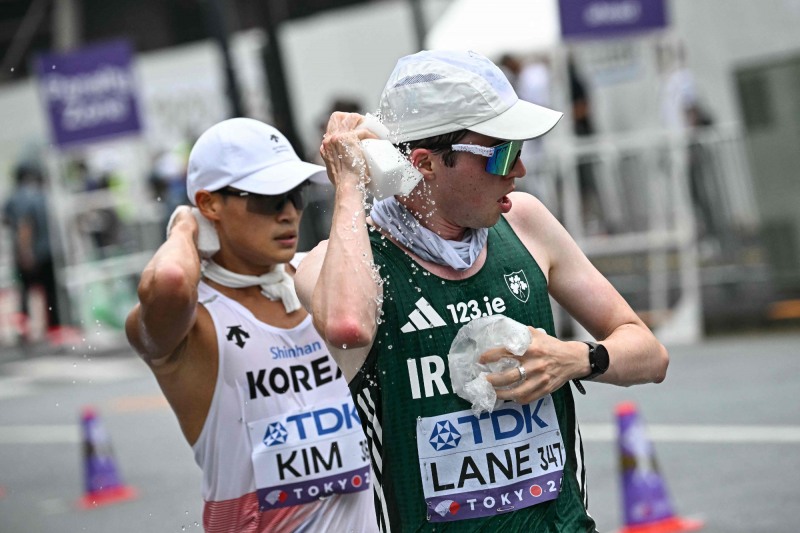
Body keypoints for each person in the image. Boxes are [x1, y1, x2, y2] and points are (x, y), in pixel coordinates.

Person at [295, 50, 669, 531]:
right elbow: (348, 325)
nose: (519, 171)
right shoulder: (341, 262)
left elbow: (649, 354)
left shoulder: (525, 223)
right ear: (427, 164)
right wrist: (349, 185)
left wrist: (576, 358)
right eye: (503, 153)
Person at [125, 118, 376, 533]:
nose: (289, 214)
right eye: (267, 200)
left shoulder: (317, 277)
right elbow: (168, 281)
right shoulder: (196, 319)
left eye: (294, 195)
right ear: (209, 206)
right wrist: (184, 228)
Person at [2, 164, 60, 342]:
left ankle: (25, 331)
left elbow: (24, 226)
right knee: (51, 292)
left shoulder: (16, 199)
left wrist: (25, 252)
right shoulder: (43, 195)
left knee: (26, 291)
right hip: (49, 251)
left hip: (30, 253)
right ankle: (54, 328)